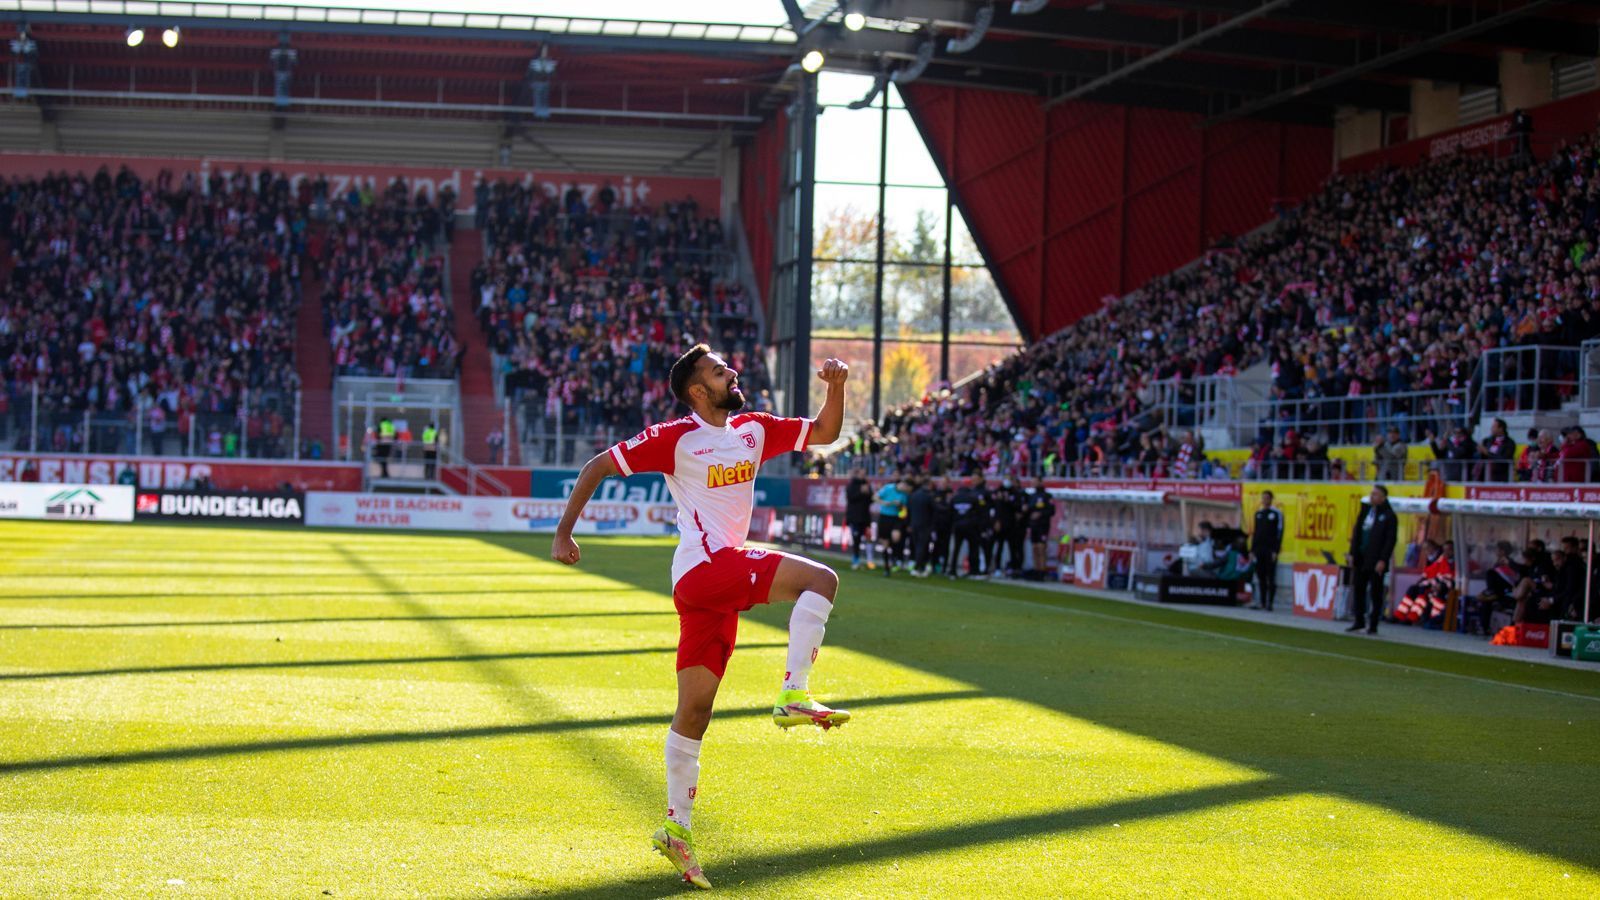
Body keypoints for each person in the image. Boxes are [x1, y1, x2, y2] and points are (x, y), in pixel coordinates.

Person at [550, 344, 851, 891]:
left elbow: (824, 432)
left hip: (706, 588)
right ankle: (794, 692)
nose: (732, 372)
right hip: (705, 567)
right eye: (719, 370)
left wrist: (836, 386)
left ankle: (675, 828)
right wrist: (564, 531)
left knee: (695, 710)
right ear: (697, 390)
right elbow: (598, 465)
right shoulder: (675, 437)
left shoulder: (754, 429)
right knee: (821, 580)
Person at [1345, 485, 1398, 635]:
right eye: (1371, 494)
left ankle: (1373, 623)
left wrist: (1383, 559)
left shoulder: (1389, 516)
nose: (1372, 497)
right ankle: (1359, 620)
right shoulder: (1365, 512)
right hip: (1361, 558)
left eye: (1375, 494)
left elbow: (1390, 540)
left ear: (1383, 497)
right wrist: (1352, 553)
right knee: (1359, 589)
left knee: (1375, 592)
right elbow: (1357, 534)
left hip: (1375, 560)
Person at [948, 477, 989, 578]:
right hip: (971, 527)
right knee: (973, 549)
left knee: (956, 549)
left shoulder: (955, 497)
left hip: (958, 526)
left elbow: (950, 513)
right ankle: (974, 570)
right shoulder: (973, 497)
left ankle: (952, 570)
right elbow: (980, 513)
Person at [1250, 491, 1284, 611]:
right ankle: (1262, 602)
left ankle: (1270, 603)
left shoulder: (1276, 514)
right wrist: (1252, 550)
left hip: (1270, 550)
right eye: (1263, 498)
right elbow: (1255, 533)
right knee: (1261, 576)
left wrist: (1276, 550)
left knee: (1271, 576)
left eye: (1267, 498)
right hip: (1259, 549)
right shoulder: (1258, 514)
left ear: (1271, 499)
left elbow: (1279, 533)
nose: (1264, 500)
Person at [874, 477, 910, 577]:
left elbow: (903, 511)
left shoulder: (904, 495)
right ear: (900, 484)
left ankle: (895, 558)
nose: (905, 488)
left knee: (896, 537)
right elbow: (875, 497)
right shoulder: (888, 488)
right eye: (905, 485)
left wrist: (900, 507)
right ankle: (887, 567)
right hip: (885, 517)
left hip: (896, 518)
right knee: (885, 543)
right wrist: (884, 503)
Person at [992, 477, 1026, 577]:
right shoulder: (999, 492)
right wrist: (996, 521)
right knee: (999, 547)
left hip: (1011, 524)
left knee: (1013, 547)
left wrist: (1008, 501)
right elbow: (996, 507)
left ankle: (1013, 568)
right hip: (1001, 523)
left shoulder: (1015, 493)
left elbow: (1018, 507)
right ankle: (997, 567)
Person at [844, 467, 875, 571]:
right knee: (856, 539)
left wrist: (869, 493)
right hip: (854, 518)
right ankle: (856, 560)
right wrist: (861, 492)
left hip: (865, 518)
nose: (863, 476)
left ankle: (870, 561)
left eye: (864, 474)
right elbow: (851, 498)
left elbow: (871, 500)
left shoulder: (867, 485)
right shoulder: (852, 485)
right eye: (861, 474)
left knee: (868, 538)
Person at [1026, 478, 1056, 579]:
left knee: (1041, 548)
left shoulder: (1047, 496)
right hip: (1034, 526)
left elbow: (1052, 511)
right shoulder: (1032, 496)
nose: (1033, 483)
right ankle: (1036, 570)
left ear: (1040, 482)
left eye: (1034, 481)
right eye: (1032, 481)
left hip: (1043, 526)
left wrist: (1040, 514)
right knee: (1034, 548)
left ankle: (1042, 571)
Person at [907, 477, 934, 577]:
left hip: (914, 524)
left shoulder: (913, 495)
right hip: (925, 525)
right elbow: (934, 510)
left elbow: (908, 511)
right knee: (922, 546)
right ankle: (918, 567)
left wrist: (909, 524)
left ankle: (920, 566)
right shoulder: (928, 496)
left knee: (917, 546)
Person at [1476, 418, 1516, 483]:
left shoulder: (1509, 443)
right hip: (1486, 475)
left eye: (1494, 427)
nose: (1491, 429)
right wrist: (1480, 451)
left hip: (1501, 477)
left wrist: (1487, 453)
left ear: (1501, 428)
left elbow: (1504, 459)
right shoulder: (1487, 441)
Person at [930, 478, 955, 576]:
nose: (943, 484)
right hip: (936, 525)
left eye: (945, 482)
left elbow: (951, 509)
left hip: (947, 525)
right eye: (941, 482)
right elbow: (934, 508)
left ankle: (944, 566)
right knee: (934, 546)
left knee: (945, 546)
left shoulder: (951, 495)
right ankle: (934, 565)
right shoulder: (936, 494)